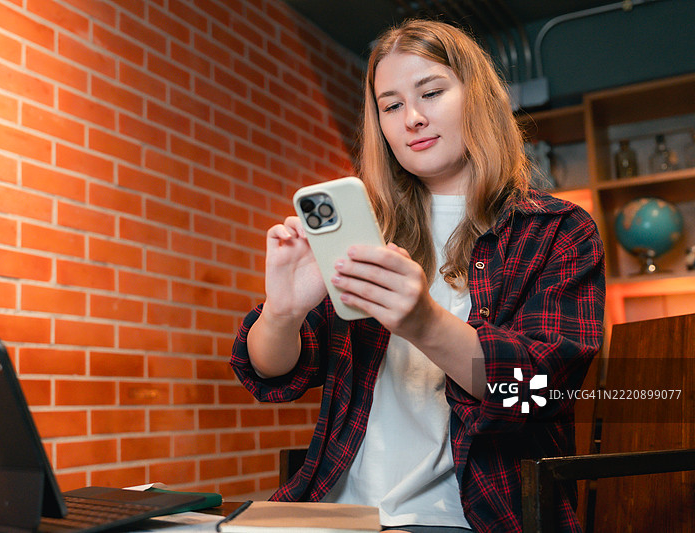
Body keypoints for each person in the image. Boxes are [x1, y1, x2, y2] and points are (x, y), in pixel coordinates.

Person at [231, 18, 605, 533]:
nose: (412, 118)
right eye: (391, 105)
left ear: (478, 99)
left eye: (431, 92)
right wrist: (283, 312)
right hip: (336, 511)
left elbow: (541, 390)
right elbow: (272, 374)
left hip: (465, 519)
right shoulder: (368, 235)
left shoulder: (557, 231)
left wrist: (424, 322)